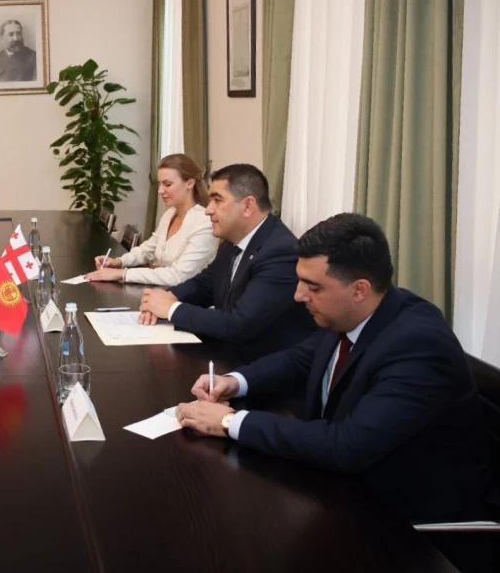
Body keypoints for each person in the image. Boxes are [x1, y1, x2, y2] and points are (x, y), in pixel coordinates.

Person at [176, 214, 497, 572]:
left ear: (359, 289)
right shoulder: (351, 313)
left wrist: (230, 421)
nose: (298, 296)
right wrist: (234, 381)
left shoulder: (418, 344)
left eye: (313, 287)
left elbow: (347, 446)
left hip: (407, 526)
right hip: (341, 489)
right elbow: (300, 359)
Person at [139, 163, 315, 361]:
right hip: (228, 356)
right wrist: (166, 297)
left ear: (248, 206)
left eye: (217, 200)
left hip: (261, 367)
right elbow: (205, 284)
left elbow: (238, 324)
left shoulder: (280, 253)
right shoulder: (233, 241)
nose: (208, 210)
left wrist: (171, 309)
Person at [86, 153, 217, 286]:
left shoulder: (205, 223)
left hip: (186, 297)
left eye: (167, 184)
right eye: (160, 184)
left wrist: (122, 273)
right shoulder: (170, 214)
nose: (160, 191)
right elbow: (146, 250)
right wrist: (118, 262)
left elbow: (178, 276)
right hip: (162, 290)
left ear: (190, 183)